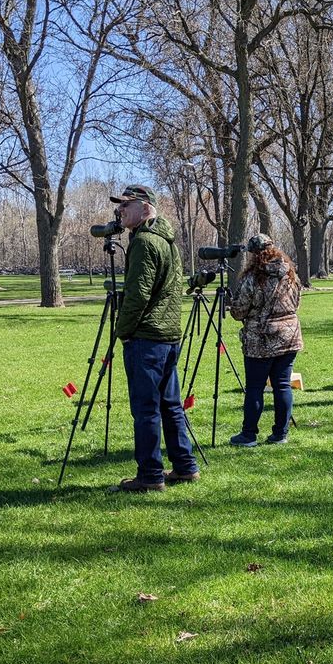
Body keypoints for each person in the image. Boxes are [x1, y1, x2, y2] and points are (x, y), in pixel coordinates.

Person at [112, 184, 199, 491]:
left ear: (146, 208)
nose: (121, 210)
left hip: (148, 337)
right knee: (170, 405)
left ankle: (150, 475)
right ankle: (185, 466)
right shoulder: (166, 240)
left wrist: (123, 331)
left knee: (146, 409)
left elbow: (138, 295)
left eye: (127, 205)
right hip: (167, 335)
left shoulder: (146, 242)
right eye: (120, 206)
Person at [228, 233, 303, 447]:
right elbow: (297, 303)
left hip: (260, 338)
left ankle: (249, 434)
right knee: (282, 385)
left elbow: (239, 312)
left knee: (255, 387)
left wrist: (232, 304)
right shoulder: (290, 274)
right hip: (288, 335)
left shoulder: (252, 278)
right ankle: (281, 433)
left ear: (253, 255)